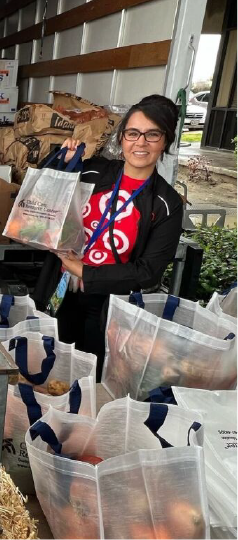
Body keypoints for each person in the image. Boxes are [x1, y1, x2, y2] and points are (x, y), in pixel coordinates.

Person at [33, 94, 183, 378]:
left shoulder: (167, 202)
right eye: (133, 133)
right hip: (61, 287)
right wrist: (60, 164)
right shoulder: (93, 170)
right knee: (51, 370)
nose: (141, 143)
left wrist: (85, 271)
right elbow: (41, 202)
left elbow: (148, 272)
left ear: (165, 141)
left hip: (107, 306)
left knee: (92, 376)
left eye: (152, 134)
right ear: (122, 138)